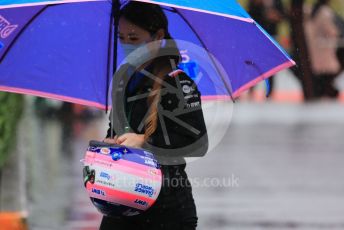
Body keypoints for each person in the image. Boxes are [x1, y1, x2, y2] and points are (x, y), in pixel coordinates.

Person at [100, 2, 208, 230]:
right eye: (121, 38)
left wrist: (145, 143)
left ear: (157, 36)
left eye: (134, 38)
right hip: (121, 203)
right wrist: (110, 145)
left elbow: (198, 143)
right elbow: (115, 130)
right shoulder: (123, 83)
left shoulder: (177, 83)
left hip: (167, 210)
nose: (127, 45)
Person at [248, 0, 285, 97]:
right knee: (254, 63)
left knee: (271, 65)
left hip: (272, 35)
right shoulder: (255, 2)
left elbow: (283, 15)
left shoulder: (277, 2)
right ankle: (252, 88)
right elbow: (249, 15)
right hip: (258, 34)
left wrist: (276, 16)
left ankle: (270, 91)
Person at [304, 0, 341, 98]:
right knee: (327, 73)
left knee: (320, 74)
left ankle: (321, 91)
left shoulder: (311, 11)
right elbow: (331, 30)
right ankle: (326, 91)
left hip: (314, 47)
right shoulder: (325, 12)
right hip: (324, 47)